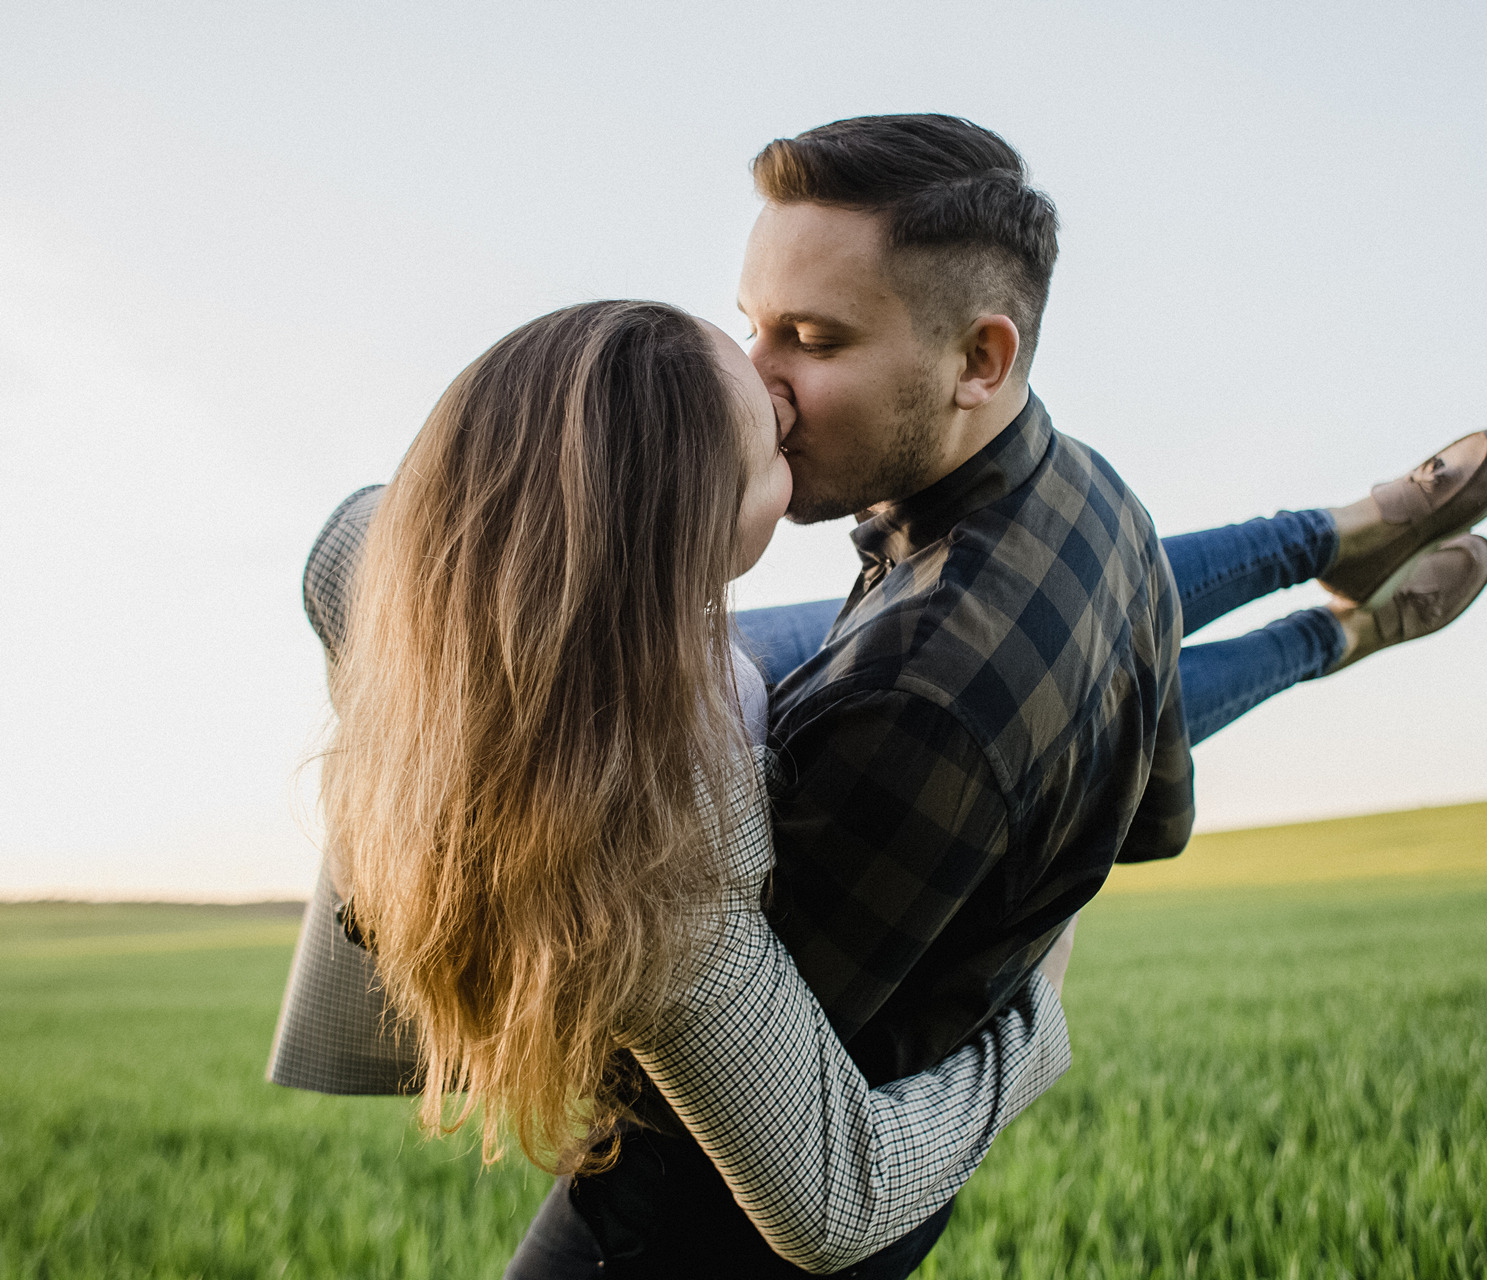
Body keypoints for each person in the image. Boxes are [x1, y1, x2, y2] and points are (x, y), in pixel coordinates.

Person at [269, 114, 1487, 1277]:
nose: (770, 388)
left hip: (598, 786)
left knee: (1007, 630)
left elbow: (366, 542)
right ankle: (1335, 593)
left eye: (804, 344)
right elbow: (821, 1172)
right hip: (691, 1197)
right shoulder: (689, 831)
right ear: (677, 554)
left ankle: (1335, 569)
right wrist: (1024, 1033)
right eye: (755, 353)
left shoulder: (391, 555)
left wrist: (435, 666)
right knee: (1039, 627)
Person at [301, 299, 1082, 1275]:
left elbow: (332, 556)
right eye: (770, 450)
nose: (785, 400)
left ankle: (1310, 569)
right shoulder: (662, 839)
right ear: (695, 540)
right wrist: (1037, 1013)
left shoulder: (387, 566)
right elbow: (840, 1197)